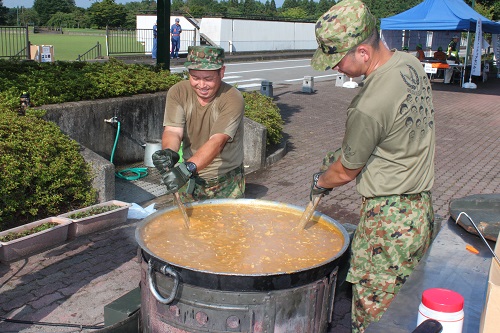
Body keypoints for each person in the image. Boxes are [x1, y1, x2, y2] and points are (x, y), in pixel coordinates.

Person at [310, 0, 435, 332]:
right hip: (419, 212)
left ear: (363, 53)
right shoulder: (410, 65)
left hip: (387, 226)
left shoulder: (369, 104)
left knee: (374, 318)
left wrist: (321, 181)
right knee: (403, 307)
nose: (334, 68)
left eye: (337, 61)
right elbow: (390, 133)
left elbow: (345, 172)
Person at [152, 46, 245, 203]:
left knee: (225, 226)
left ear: (222, 72)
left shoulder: (232, 98)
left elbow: (217, 141)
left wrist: (186, 169)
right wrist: (169, 153)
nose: (201, 85)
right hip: (190, 177)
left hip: (225, 180)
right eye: (195, 78)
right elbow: (173, 131)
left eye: (208, 79)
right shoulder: (178, 92)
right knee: (184, 225)